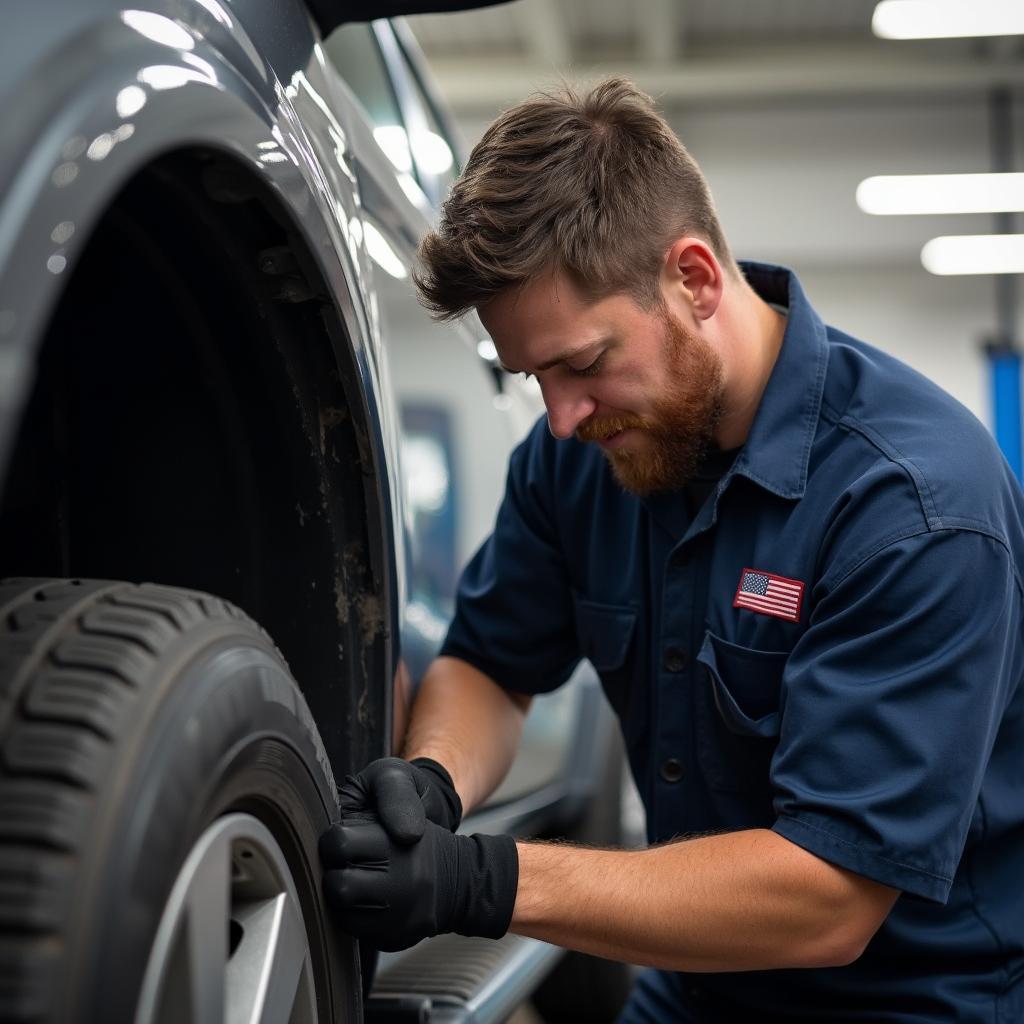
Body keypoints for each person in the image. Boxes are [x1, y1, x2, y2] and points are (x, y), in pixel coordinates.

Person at [319, 77, 1024, 1022]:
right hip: (701, 989)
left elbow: (829, 897)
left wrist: (484, 880)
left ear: (693, 279)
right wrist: (434, 782)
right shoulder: (583, 460)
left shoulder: (915, 505)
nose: (562, 418)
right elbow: (491, 662)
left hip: (913, 1001)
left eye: (582, 364)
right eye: (534, 379)